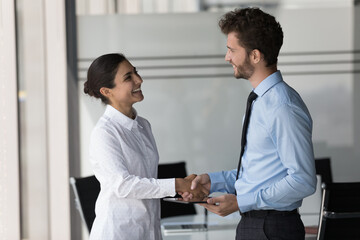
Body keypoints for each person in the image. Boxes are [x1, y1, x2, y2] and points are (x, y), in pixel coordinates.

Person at [182, 8, 317, 240]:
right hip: (258, 224)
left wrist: (241, 201)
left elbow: (303, 180)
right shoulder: (261, 101)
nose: (227, 57)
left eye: (232, 50)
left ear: (255, 55)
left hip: (272, 228)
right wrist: (213, 180)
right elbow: (260, 173)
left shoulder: (281, 106)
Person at [84, 53, 208, 240]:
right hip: (118, 232)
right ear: (106, 91)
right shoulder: (105, 132)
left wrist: (181, 188)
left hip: (149, 229)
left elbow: (146, 180)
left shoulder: (143, 125)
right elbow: (123, 185)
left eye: (136, 72)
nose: (139, 80)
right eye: (128, 77)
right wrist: (176, 184)